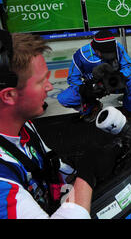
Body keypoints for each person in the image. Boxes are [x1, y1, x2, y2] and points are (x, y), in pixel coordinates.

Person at [0, 30, 114, 218]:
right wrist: (87, 174)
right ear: (9, 95)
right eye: (41, 81)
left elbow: (50, 163)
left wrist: (77, 169)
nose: (50, 87)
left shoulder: (23, 125)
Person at [57, 30, 131, 122]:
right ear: (97, 50)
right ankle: (93, 106)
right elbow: (72, 78)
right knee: (64, 98)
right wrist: (84, 90)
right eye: (106, 53)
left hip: (114, 83)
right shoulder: (81, 55)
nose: (109, 56)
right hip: (93, 88)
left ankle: (129, 111)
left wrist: (118, 76)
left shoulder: (117, 47)